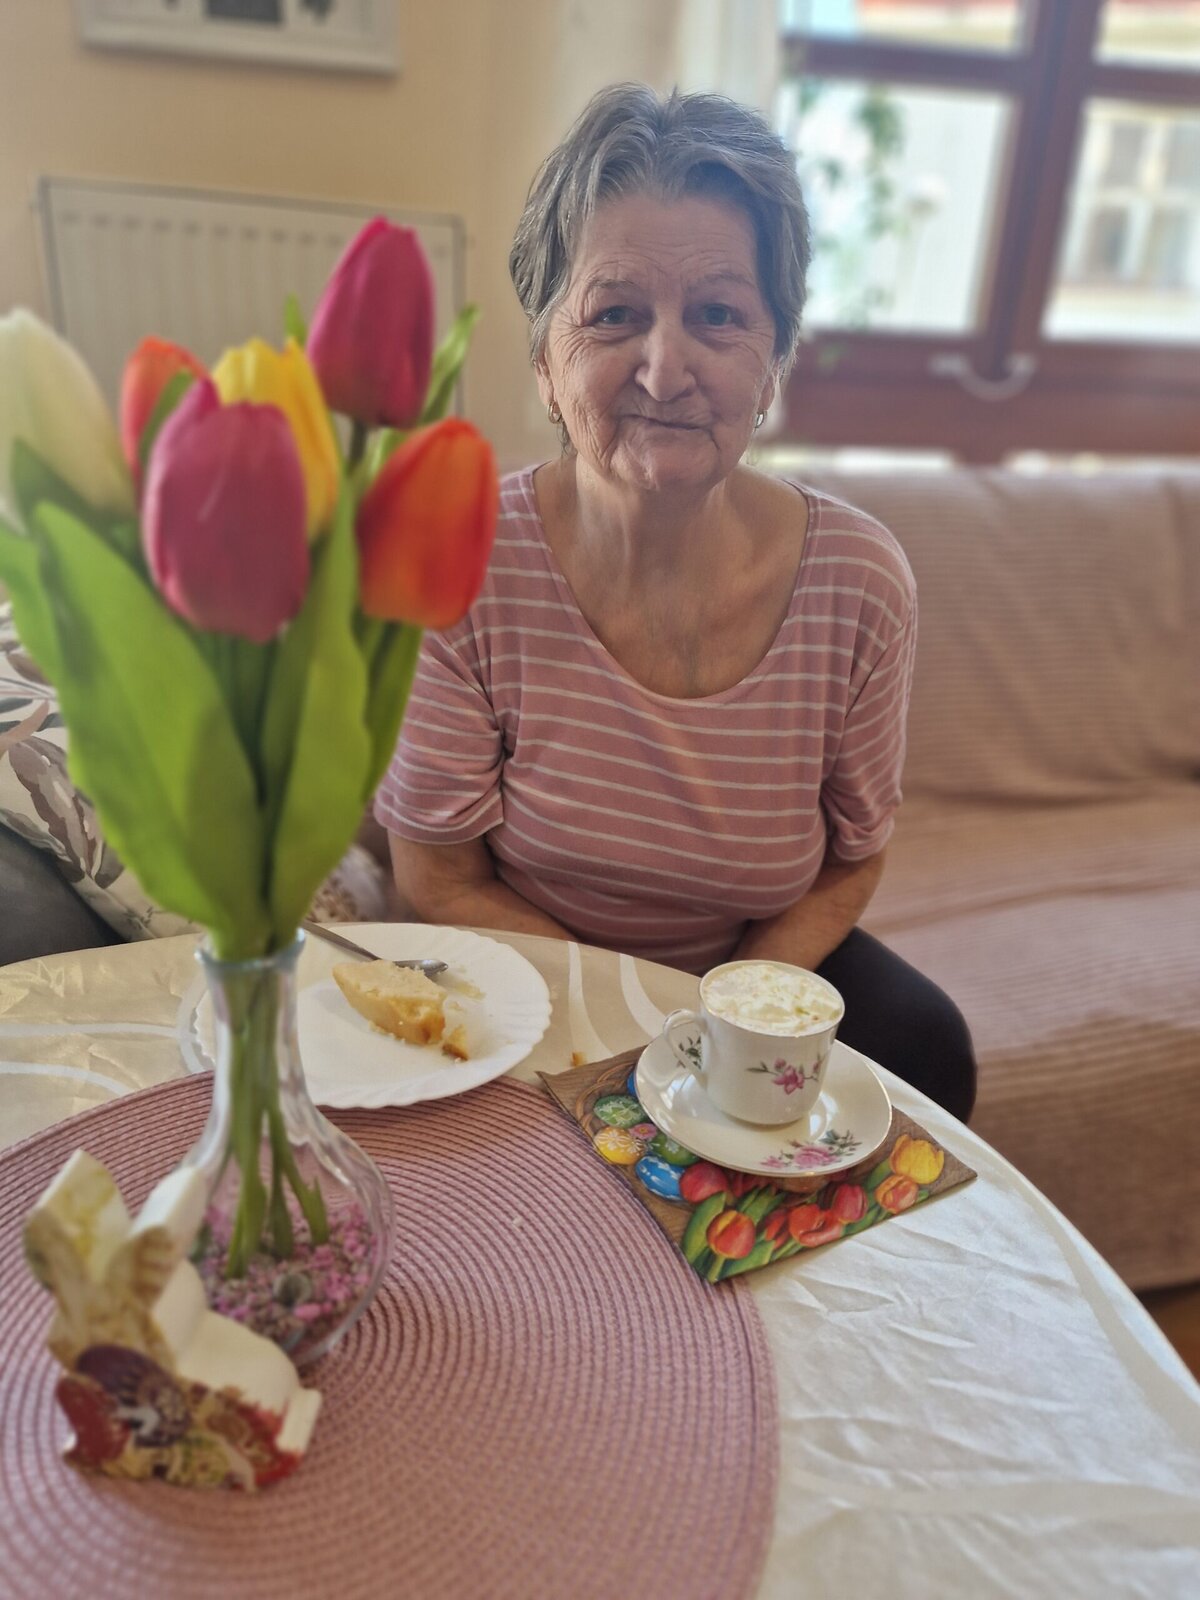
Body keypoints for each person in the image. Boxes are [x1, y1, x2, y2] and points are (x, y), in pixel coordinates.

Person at [375, 84, 976, 1121]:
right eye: (614, 314)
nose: (665, 369)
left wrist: (717, 1016)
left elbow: (852, 857)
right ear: (545, 363)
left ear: (772, 364)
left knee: (927, 1049)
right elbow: (440, 881)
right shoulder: (460, 555)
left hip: (741, 974)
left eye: (718, 316)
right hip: (520, 965)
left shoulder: (860, 582)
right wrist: (640, 1024)